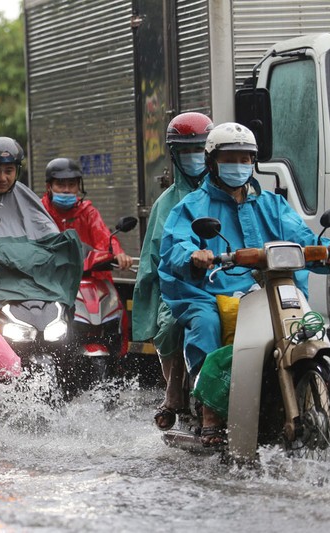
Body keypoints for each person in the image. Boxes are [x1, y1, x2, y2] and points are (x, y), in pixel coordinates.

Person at [158, 122, 330, 446]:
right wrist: (195, 255)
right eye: (231, 158)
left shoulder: (272, 205)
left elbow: (301, 237)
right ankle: (209, 407)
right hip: (211, 291)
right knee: (206, 323)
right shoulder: (191, 207)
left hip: (268, 290)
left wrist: (326, 251)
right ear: (212, 162)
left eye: (245, 158)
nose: (238, 165)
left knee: (300, 326)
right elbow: (175, 244)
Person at [132, 111, 213, 431]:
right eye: (186, 151)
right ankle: (177, 392)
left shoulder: (240, 195)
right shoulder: (167, 204)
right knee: (171, 326)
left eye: (200, 150)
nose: (194, 158)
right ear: (174, 156)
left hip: (232, 280)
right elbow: (158, 256)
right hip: (182, 287)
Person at [41, 157, 132, 277]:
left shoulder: (88, 212)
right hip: (49, 280)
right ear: (49, 187)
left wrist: (118, 254)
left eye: (72, 184)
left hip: (87, 279)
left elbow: (104, 238)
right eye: (60, 184)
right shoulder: (39, 212)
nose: (67, 190)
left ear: (78, 187)